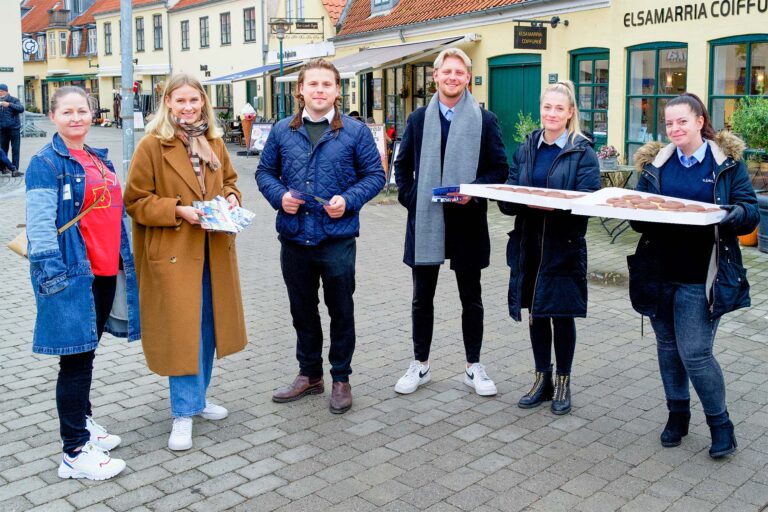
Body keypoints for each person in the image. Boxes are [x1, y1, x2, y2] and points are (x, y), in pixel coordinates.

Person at [628, 93, 758, 458]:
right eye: (669, 123)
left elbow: (750, 211)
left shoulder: (727, 165)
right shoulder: (655, 165)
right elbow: (639, 219)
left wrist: (732, 214)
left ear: (700, 121)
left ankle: (721, 425)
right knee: (668, 350)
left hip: (702, 277)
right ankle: (677, 415)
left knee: (696, 354)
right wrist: (636, 209)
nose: (675, 129)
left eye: (682, 121)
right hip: (658, 273)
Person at [124, 74, 248, 451]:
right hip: (175, 252)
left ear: (203, 102)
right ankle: (181, 412)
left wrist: (230, 199)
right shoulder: (151, 145)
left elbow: (230, 180)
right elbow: (135, 200)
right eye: (180, 101)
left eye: (194, 100)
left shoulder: (212, 141)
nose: (188, 107)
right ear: (167, 104)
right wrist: (179, 210)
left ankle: (197, 398)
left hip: (213, 250)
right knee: (183, 332)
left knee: (209, 328)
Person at [256, 59, 385, 414]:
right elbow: (265, 172)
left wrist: (349, 200)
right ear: (300, 90)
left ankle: (341, 378)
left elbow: (375, 176)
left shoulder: (356, 132)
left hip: (336, 238)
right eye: (312, 84)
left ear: (337, 91)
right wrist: (279, 197)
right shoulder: (282, 131)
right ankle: (310, 375)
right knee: (302, 310)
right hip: (295, 238)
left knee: (341, 310)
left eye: (326, 85)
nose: (319, 90)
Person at [25, 86, 140, 480]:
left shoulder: (95, 156)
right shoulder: (46, 163)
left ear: (93, 115)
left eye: (83, 111)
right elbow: (40, 229)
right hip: (73, 276)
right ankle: (73, 452)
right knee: (73, 362)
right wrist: (52, 279)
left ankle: (84, 424)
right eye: (68, 112)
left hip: (105, 273)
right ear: (53, 116)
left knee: (86, 357)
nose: (76, 118)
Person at [393, 48, 509, 396]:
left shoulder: (485, 120)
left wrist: (473, 193)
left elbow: (500, 169)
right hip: (426, 220)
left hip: (466, 221)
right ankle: (421, 364)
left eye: (460, 72)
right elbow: (401, 168)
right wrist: (412, 199)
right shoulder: (417, 119)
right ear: (436, 76)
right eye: (447, 72)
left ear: (467, 77)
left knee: (470, 298)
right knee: (421, 298)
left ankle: (474, 367)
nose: (453, 77)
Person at [499, 81, 600, 415]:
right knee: (536, 314)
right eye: (547, 107)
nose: (552, 114)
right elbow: (512, 193)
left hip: (563, 246)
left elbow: (589, 200)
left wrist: (555, 207)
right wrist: (507, 198)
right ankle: (541, 379)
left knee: (561, 314)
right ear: (540, 110)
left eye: (559, 108)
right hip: (530, 245)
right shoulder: (526, 147)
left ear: (570, 113)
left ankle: (563, 382)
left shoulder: (582, 151)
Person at [0, 83, 24, 176]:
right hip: (2, 129)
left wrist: (9, 104)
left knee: (15, 150)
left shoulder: (14, 100)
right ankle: (3, 168)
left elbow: (21, 109)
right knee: (3, 150)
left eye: (1, 91)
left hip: (14, 129)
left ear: (6, 91)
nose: (0, 93)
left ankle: (15, 169)